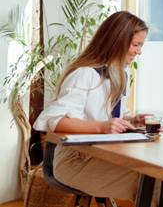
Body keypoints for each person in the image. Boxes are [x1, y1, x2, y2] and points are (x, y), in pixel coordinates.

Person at [33, 11, 153, 203]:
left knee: (158, 181)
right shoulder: (85, 74)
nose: (139, 51)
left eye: (141, 45)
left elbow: (107, 113)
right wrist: (102, 127)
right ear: (118, 40)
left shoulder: (121, 73)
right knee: (153, 185)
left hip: (104, 156)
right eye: (136, 45)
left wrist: (132, 119)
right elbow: (53, 121)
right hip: (74, 161)